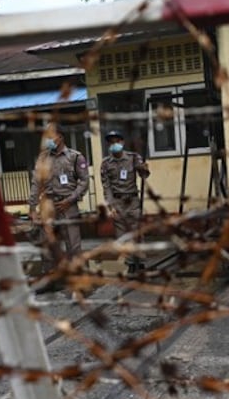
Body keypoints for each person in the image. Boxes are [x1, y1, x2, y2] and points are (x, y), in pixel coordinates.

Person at [27, 122, 90, 287]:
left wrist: (71, 199)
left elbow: (84, 181)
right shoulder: (43, 158)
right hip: (47, 205)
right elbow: (36, 183)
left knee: (73, 246)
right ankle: (50, 280)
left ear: (60, 136)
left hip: (68, 206)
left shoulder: (75, 157)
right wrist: (32, 207)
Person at [100, 130, 150, 274]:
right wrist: (111, 205)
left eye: (116, 141)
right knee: (122, 235)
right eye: (111, 142)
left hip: (132, 200)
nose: (114, 144)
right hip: (117, 201)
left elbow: (144, 175)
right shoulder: (105, 164)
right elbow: (106, 186)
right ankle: (130, 263)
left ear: (122, 142)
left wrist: (143, 169)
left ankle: (140, 262)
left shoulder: (133, 158)